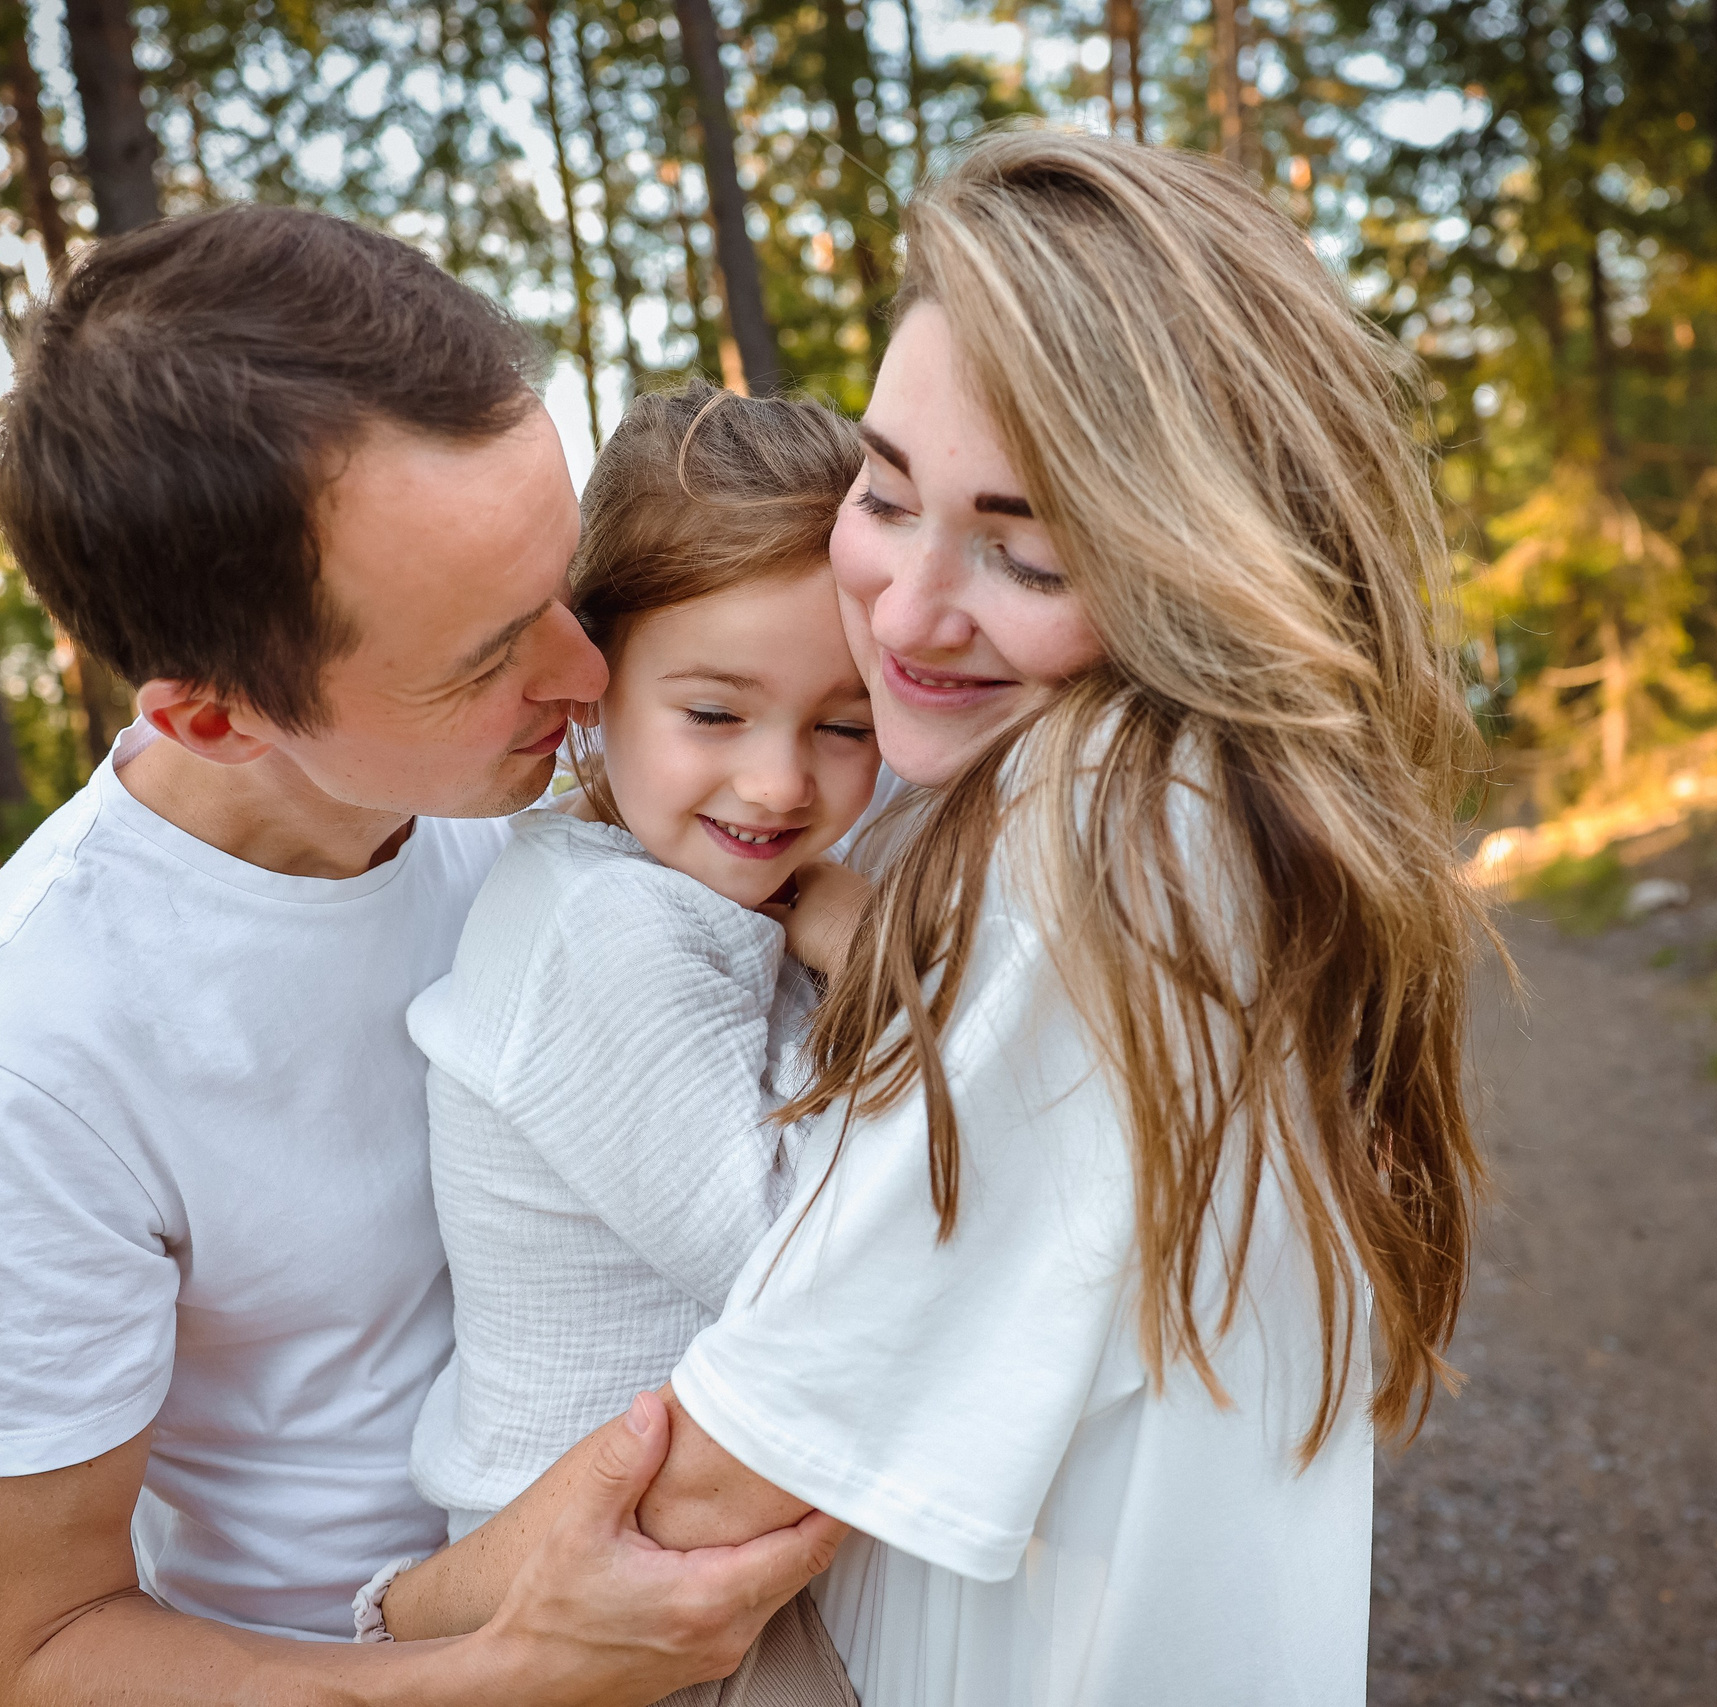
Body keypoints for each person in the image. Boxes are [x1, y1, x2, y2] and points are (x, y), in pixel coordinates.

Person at [394, 130, 1490, 1703]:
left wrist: (395, 1630)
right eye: (886, 497)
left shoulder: (1130, 822)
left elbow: (795, 1351)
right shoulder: (1013, 771)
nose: (905, 614)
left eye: (1026, 551)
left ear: (1190, 557)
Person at [0, 205, 838, 1707]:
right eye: (484, 655)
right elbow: (43, 1655)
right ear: (213, 716)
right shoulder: (16, 1067)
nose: (588, 676)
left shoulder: (551, 786)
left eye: (564, 581)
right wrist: (511, 1671)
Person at [402, 385, 877, 1704]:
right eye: (716, 714)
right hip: (593, 1602)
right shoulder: (600, 927)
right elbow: (795, 1258)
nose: (782, 781)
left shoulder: (669, 881)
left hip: (684, 1547)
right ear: (595, 692)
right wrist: (884, 972)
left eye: (844, 726)